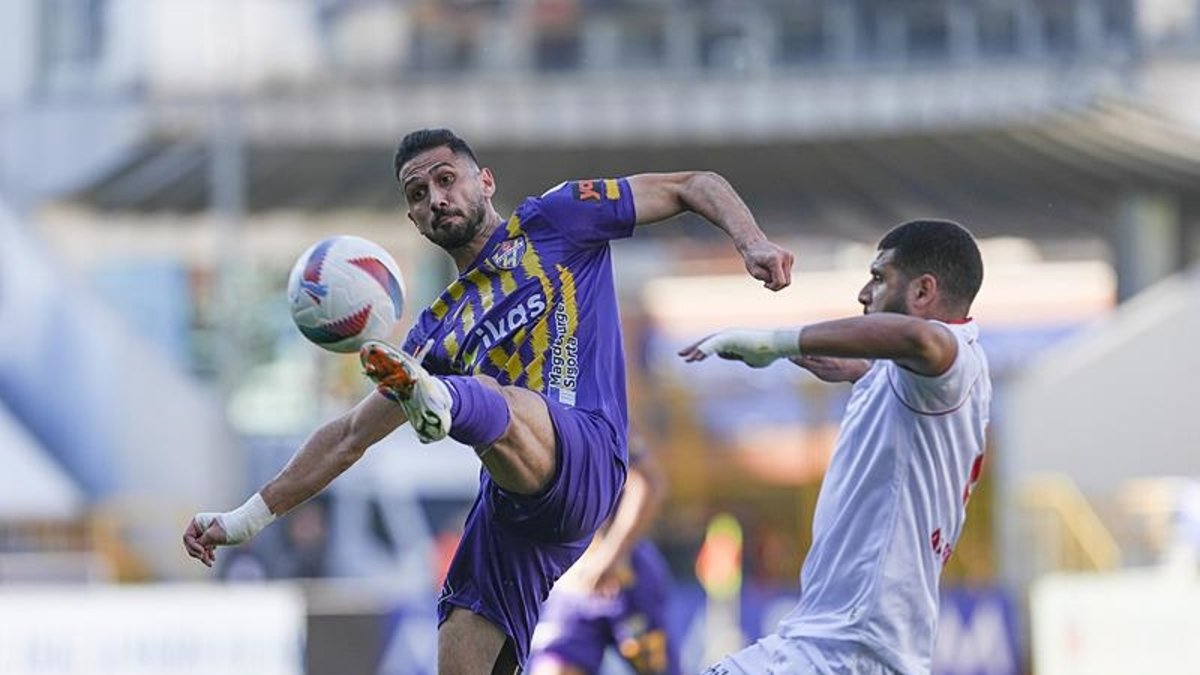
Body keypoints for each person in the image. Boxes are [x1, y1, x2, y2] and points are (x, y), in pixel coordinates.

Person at [182, 128, 793, 673]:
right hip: (512, 509)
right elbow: (346, 439)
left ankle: (444, 404)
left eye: (445, 180)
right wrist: (243, 520)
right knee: (460, 649)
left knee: (489, 397)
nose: (434, 200)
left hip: (586, 449)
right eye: (417, 196)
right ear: (415, 221)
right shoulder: (436, 330)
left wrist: (752, 243)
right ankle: (443, 404)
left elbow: (692, 183)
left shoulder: (557, 220)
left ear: (485, 181)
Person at [680, 219, 991, 675]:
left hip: (847, 649)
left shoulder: (952, 354)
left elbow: (918, 338)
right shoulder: (917, 378)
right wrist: (856, 370)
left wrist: (776, 341)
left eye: (880, 277)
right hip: (843, 645)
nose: (865, 293)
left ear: (924, 292)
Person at [528, 436, 678, 675]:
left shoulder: (598, 406)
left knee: (656, 668)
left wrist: (611, 555)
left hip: (625, 575)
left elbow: (648, 480)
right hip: (570, 583)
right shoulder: (522, 410)